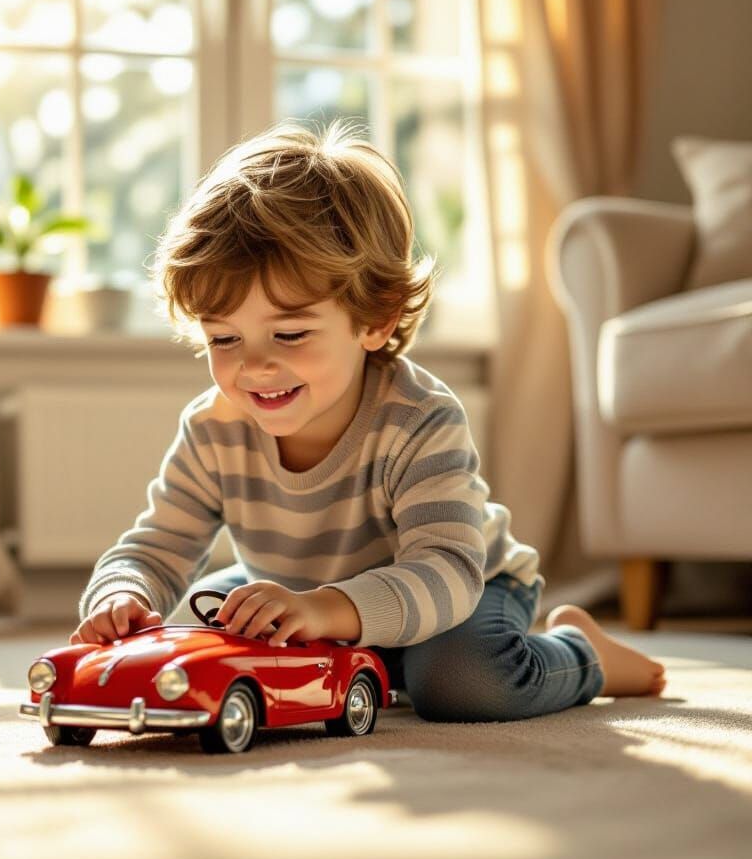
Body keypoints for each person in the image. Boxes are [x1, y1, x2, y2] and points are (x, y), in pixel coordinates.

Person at [70, 120, 667, 722]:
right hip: (303, 595)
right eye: (223, 337)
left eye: (290, 333)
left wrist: (327, 610)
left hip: (462, 587)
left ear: (374, 320)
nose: (253, 365)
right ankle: (373, 658)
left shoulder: (418, 420)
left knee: (459, 682)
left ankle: (583, 654)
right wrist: (124, 594)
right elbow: (158, 544)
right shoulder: (213, 428)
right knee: (202, 625)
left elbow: (447, 570)